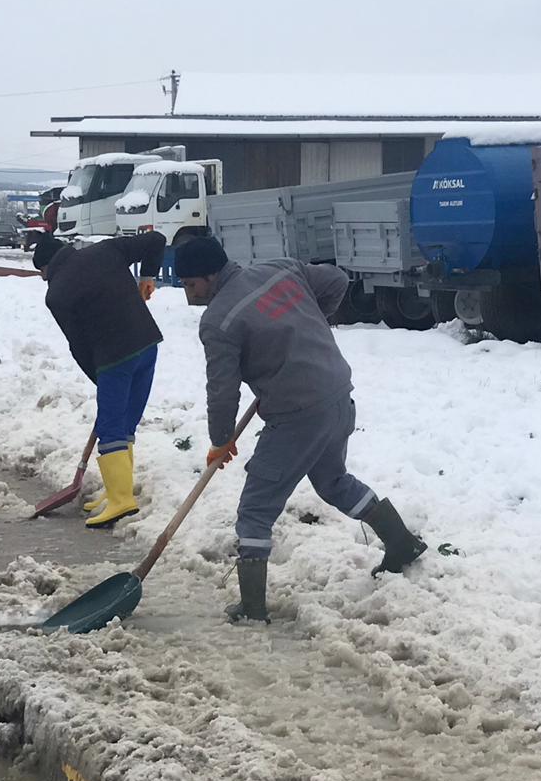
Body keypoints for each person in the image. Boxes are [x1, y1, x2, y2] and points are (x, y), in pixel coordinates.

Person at [175, 236, 426, 624]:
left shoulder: (219, 321)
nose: (189, 295)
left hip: (297, 416)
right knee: (333, 482)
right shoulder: (281, 269)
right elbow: (337, 280)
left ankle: (253, 608)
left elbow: (221, 391)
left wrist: (220, 440)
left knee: (256, 508)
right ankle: (401, 542)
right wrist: (310, 326)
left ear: (210, 276)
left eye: (191, 285)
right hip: (337, 394)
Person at [31, 230, 166, 529]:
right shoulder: (105, 250)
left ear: (46, 268)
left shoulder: (57, 294)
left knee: (111, 427)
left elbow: (77, 344)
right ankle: (117, 489)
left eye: (42, 274)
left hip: (115, 358)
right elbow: (156, 240)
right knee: (125, 424)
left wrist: (99, 379)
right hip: (147, 345)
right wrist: (148, 277)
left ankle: (121, 501)